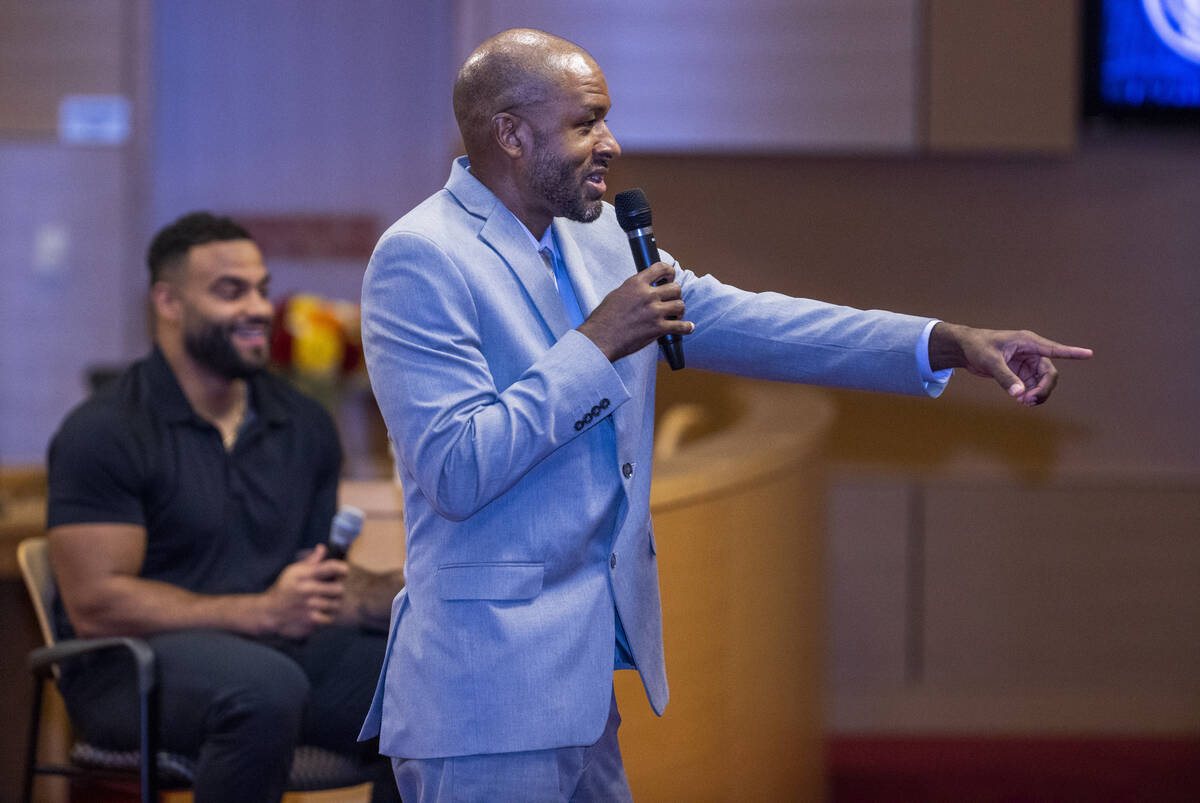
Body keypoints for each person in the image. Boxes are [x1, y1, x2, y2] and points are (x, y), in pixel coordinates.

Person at [357, 28, 1093, 802]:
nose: (611, 142)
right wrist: (597, 342)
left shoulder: (602, 237)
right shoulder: (421, 255)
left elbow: (766, 325)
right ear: (511, 133)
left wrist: (946, 343)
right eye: (587, 122)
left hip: (581, 686)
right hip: (484, 694)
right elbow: (455, 469)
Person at [45, 212, 403, 803]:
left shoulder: (303, 424)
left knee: (424, 675)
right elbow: (97, 606)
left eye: (261, 289)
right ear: (168, 301)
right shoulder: (104, 430)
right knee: (263, 690)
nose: (259, 308)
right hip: (127, 666)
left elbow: (315, 580)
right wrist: (261, 611)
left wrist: (403, 596)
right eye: (230, 292)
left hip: (276, 651)